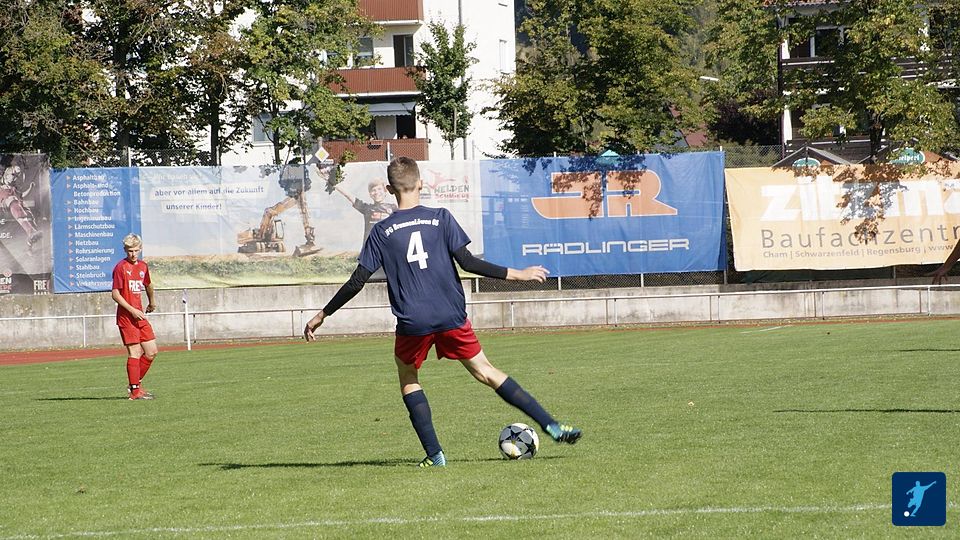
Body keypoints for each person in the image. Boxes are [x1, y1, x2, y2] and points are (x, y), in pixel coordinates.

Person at [305, 157, 581, 467]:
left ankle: (435, 454)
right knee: (486, 371)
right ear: (420, 183)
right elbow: (469, 262)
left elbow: (357, 281)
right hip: (450, 315)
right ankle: (551, 425)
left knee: (409, 377)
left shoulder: (382, 231)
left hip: (413, 321)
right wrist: (518, 274)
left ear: (390, 189)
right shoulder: (441, 218)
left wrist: (323, 314)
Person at [111, 233, 158, 400]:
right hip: (127, 317)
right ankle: (135, 391)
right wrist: (131, 310)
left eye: (136, 250)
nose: (133, 254)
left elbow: (148, 284)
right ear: (125, 250)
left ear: (140, 249)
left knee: (151, 351)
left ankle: (134, 383)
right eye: (130, 251)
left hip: (140, 316)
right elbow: (115, 294)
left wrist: (152, 302)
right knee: (135, 352)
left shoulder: (143, 266)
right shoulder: (120, 267)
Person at [335, 180, 398, 245]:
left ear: (385, 191)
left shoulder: (393, 208)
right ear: (370, 194)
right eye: (373, 190)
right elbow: (349, 196)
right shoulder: (367, 208)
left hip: (386, 246)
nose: (376, 192)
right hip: (370, 247)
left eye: (379, 189)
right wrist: (334, 184)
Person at [0, 156, 41, 251]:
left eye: (16, 176)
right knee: (12, 200)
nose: (14, 178)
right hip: (5, 202)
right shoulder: (2, 182)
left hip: (14, 204)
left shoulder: (13, 188)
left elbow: (22, 195)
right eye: (13, 175)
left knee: (30, 217)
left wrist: (30, 188)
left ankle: (30, 244)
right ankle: (31, 231)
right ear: (6, 173)